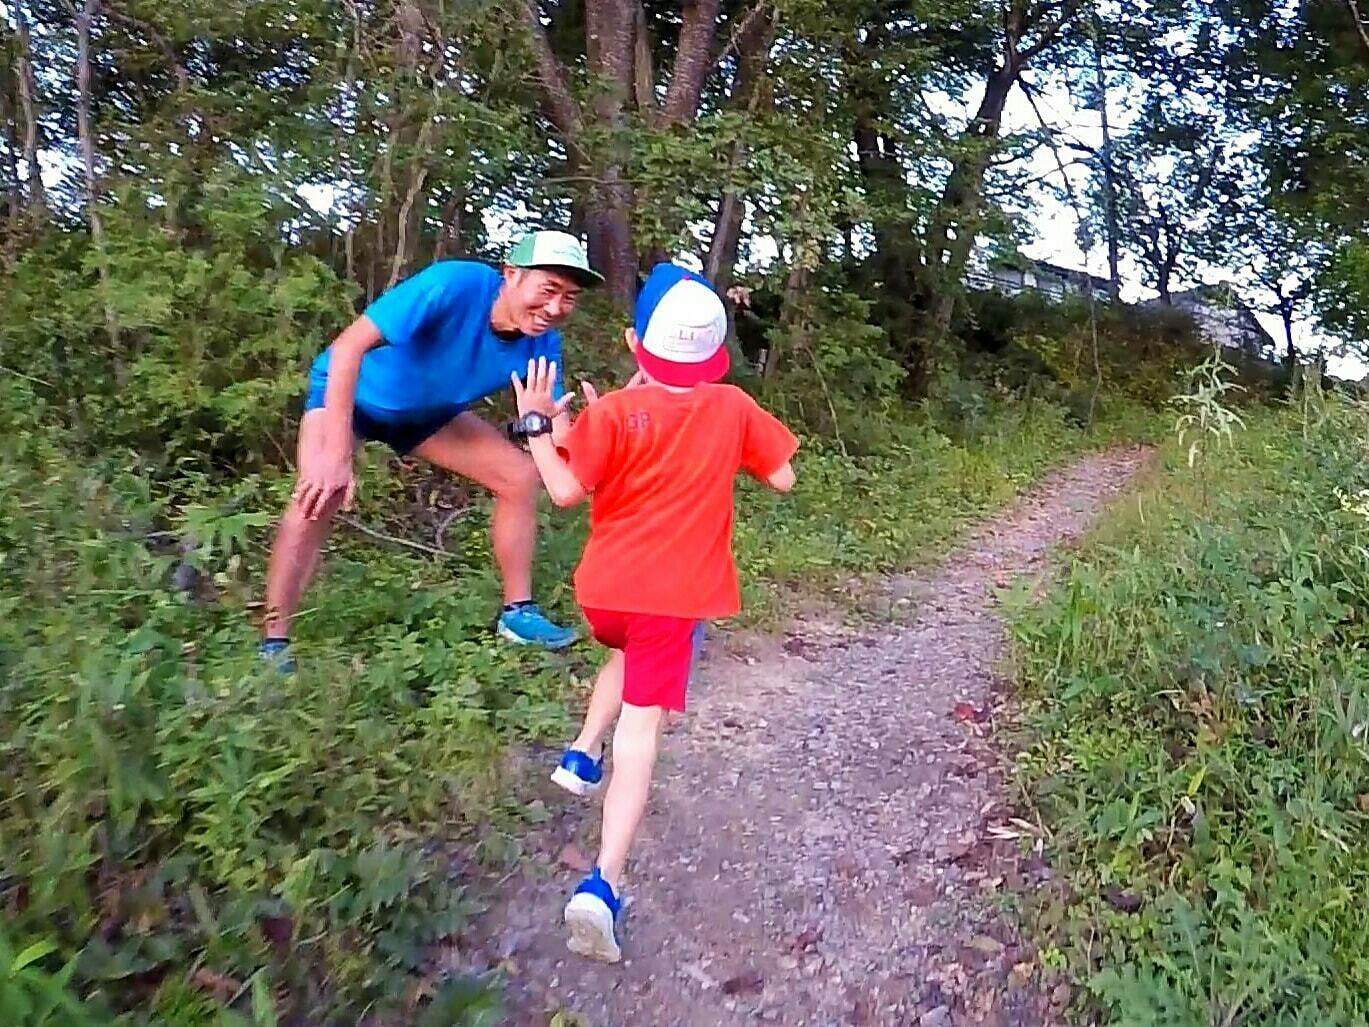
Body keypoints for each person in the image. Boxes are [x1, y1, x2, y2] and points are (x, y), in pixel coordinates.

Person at [509, 263, 799, 962]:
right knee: (640, 734)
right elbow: (784, 478)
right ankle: (602, 886)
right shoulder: (732, 407)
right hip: (671, 602)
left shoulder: (613, 411)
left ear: (636, 343)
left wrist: (543, 427)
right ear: (714, 351)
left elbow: (566, 489)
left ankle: (581, 753)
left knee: (623, 649)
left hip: (605, 594)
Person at [259, 231, 601, 672]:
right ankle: (274, 643)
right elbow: (347, 347)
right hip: (353, 396)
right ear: (512, 274)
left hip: (427, 415)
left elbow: (558, 433)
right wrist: (337, 453)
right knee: (318, 494)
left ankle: (518, 614)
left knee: (519, 477)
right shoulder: (454, 285)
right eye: (548, 289)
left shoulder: (542, 344)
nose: (555, 308)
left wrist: (611, 427)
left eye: (569, 297)